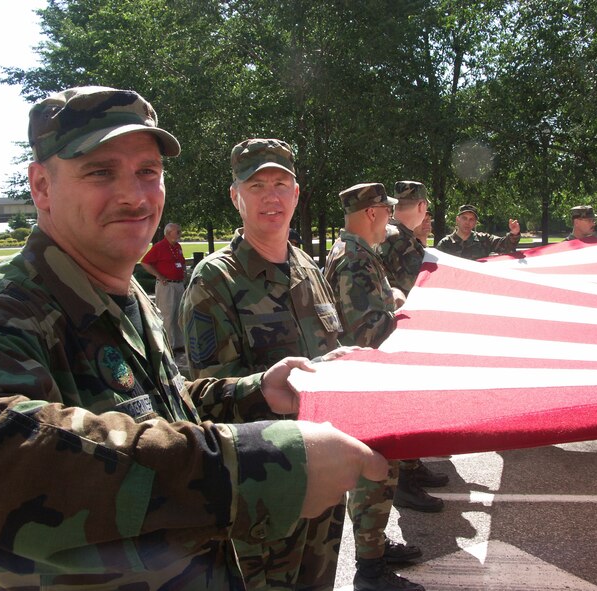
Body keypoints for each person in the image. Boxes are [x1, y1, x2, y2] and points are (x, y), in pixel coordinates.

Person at [0, 87, 388, 591]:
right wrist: (244, 467)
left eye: (148, 171)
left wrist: (256, 392)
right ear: (41, 186)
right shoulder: (3, 307)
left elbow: (158, 410)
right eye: (100, 171)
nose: (133, 195)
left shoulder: (126, 298)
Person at [182, 139, 416, 589]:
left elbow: (326, 353)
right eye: (256, 185)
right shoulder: (216, 280)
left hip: (322, 483)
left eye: (280, 184)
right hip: (267, 490)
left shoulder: (308, 269)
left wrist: (342, 362)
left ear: (296, 193)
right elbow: (204, 401)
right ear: (236, 197)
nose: (271, 196)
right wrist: (261, 386)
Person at [325, 182, 425, 591]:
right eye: (386, 210)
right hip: (363, 386)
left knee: (381, 474)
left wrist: (394, 299)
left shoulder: (359, 254)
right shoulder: (353, 260)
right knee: (374, 476)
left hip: (368, 382)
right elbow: (365, 333)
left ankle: (376, 548)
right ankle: (370, 569)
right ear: (371, 213)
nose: (391, 217)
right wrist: (407, 316)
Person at [377, 182, 448, 513]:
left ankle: (411, 465)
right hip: (397, 335)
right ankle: (403, 482)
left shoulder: (398, 236)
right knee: (403, 407)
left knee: (411, 404)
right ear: (421, 206)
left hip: (404, 332)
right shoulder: (395, 239)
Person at [140, 222, 185, 349]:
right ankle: (168, 345)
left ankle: (179, 344)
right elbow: (145, 262)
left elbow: (180, 263)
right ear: (169, 233)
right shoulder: (160, 247)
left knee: (179, 314)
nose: (180, 234)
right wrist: (159, 276)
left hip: (178, 284)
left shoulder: (177, 246)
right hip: (167, 286)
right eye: (178, 232)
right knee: (167, 315)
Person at [436, 204, 521, 259]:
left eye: (471, 219)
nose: (467, 222)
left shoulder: (484, 240)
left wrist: (514, 233)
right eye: (464, 218)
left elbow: (506, 246)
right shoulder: (445, 244)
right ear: (457, 220)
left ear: (475, 223)